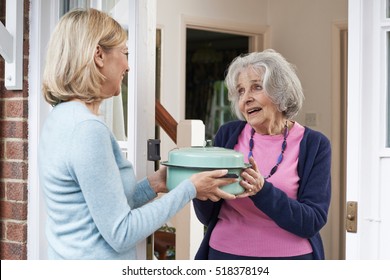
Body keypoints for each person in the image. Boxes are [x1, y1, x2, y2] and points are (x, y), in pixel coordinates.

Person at [38, 8, 239, 260]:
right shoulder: (87, 130)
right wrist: (189, 189)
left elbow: (103, 206)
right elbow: (121, 232)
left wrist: (156, 184)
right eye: (125, 53)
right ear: (98, 55)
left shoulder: (60, 117)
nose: (128, 66)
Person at [193, 49, 332, 260]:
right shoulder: (228, 135)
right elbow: (207, 215)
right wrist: (200, 190)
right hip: (225, 255)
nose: (246, 99)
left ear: (280, 92)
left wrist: (262, 191)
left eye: (256, 87)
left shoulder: (314, 144)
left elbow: (312, 220)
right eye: (241, 91)